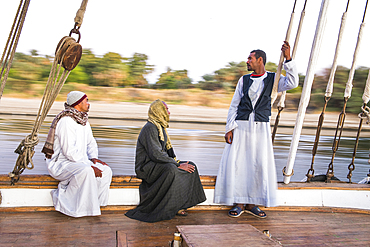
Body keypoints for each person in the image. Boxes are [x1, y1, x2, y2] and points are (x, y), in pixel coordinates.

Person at [214, 41, 299, 218]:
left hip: (261, 128)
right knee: (239, 164)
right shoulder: (243, 80)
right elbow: (234, 106)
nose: (247, 61)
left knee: (258, 164)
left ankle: (252, 204)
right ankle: (238, 203)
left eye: (250, 58)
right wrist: (229, 128)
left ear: (260, 60)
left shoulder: (273, 79)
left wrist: (288, 58)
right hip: (242, 126)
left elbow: (292, 82)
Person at [125, 99, 206, 223]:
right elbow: (156, 154)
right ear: (159, 111)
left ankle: (181, 204)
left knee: (191, 166)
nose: (169, 112)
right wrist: (177, 164)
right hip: (146, 167)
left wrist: (178, 162)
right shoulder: (150, 127)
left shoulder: (160, 127)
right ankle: (170, 207)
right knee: (172, 169)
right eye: (166, 109)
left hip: (156, 163)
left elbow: (166, 153)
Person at [42, 91, 112, 217]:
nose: (88, 104)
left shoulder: (84, 121)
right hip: (62, 164)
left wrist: (94, 158)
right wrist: (89, 166)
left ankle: (96, 204)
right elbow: (69, 152)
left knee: (106, 170)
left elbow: (91, 143)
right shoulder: (66, 121)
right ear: (78, 103)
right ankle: (65, 202)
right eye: (86, 101)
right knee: (86, 171)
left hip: (80, 161)